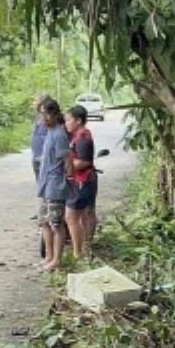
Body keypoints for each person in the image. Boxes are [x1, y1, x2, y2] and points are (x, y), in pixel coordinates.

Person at [36, 98, 69, 271]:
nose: (45, 118)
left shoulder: (59, 134)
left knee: (56, 223)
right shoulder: (49, 132)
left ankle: (57, 259)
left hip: (56, 185)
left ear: (55, 114)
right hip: (45, 184)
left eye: (48, 114)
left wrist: (69, 181)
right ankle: (49, 256)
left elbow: (67, 161)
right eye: (42, 114)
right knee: (44, 222)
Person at [64, 105, 97, 259]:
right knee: (83, 214)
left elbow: (83, 162)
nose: (66, 123)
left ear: (78, 120)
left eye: (69, 120)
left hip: (82, 181)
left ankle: (78, 252)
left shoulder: (82, 137)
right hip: (83, 180)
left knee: (71, 216)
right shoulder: (79, 135)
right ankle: (84, 247)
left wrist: (66, 164)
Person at [30, 95, 48, 179]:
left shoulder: (50, 120)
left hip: (45, 158)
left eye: (36, 101)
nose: (33, 103)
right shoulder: (37, 118)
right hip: (36, 156)